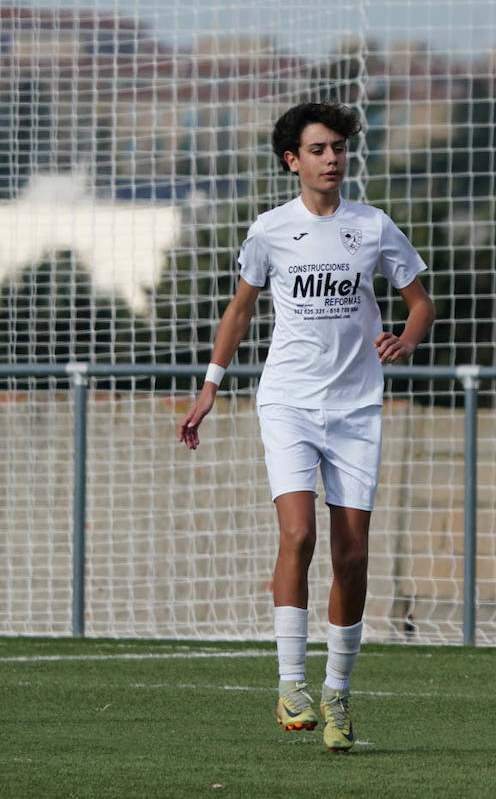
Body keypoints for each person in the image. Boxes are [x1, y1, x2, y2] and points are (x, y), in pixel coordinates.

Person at [176, 102, 435, 753]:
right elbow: (239, 313)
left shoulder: (373, 227)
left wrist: (406, 336)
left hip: (355, 410)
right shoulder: (269, 231)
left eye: (339, 148)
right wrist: (211, 386)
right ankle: (291, 684)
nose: (332, 159)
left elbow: (421, 302)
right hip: (287, 401)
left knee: (352, 557)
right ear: (293, 160)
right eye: (319, 149)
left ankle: (338, 691)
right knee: (298, 534)